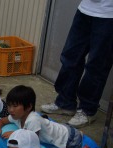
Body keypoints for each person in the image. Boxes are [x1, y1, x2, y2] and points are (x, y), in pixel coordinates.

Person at [40, 0, 113, 128]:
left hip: (108, 15)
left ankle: (87, 110)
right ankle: (65, 102)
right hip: (85, 9)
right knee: (70, 56)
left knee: (96, 66)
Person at [0, 85, 94, 148]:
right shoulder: (17, 116)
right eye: (9, 106)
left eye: (14, 106)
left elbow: (31, 139)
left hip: (68, 138)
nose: (10, 110)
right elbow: (2, 121)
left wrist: (15, 133)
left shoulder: (32, 120)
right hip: (57, 133)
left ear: (28, 107)